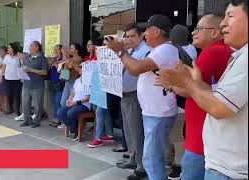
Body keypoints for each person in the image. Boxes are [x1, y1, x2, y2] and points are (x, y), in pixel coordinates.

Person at [157, 1, 248, 179]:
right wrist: (192, 83)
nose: (223, 24)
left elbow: (219, 106)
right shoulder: (231, 53)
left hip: (222, 164)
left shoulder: (215, 53)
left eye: (230, 16)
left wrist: (179, 83)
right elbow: (215, 92)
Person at [106, 15, 180, 180]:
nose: (145, 33)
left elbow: (136, 68)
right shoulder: (159, 49)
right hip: (154, 111)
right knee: (153, 156)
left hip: (158, 112)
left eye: (146, 30)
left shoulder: (165, 49)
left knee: (151, 159)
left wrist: (120, 51)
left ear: (156, 31)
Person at [113, 23, 151, 180]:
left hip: (135, 95)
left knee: (136, 131)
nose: (129, 39)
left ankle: (142, 166)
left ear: (141, 35)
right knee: (128, 131)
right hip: (124, 94)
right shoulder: (130, 51)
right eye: (127, 36)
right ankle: (133, 157)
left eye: (132, 36)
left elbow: (136, 69)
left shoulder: (145, 50)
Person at [166, 24, 199, 179]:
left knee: (177, 134)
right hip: (181, 98)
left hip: (180, 99)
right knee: (176, 134)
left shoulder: (180, 53)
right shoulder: (190, 50)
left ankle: (178, 165)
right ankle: (173, 159)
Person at [57, 64, 90, 141]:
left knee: (70, 113)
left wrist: (76, 102)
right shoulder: (77, 80)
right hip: (74, 102)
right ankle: (74, 129)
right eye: (80, 68)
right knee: (60, 112)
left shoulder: (89, 81)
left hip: (84, 104)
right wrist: (69, 99)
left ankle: (76, 131)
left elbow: (88, 97)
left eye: (83, 68)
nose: (81, 70)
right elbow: (73, 92)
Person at [19, 41, 48, 128]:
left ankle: (36, 121)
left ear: (37, 47)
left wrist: (31, 70)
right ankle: (27, 120)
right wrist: (22, 74)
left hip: (37, 85)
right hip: (26, 84)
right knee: (25, 104)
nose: (29, 47)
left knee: (38, 105)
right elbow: (24, 68)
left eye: (31, 46)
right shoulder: (28, 58)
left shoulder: (42, 58)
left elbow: (44, 72)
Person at [58, 43, 84, 128]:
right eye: (69, 48)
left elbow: (75, 68)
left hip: (74, 82)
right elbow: (66, 69)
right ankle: (66, 121)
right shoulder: (70, 59)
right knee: (63, 102)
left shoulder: (79, 58)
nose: (70, 49)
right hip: (67, 81)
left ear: (77, 50)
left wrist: (65, 56)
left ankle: (72, 123)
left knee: (71, 102)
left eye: (72, 48)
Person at [0, 43, 22, 117]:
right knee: (9, 95)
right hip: (8, 78)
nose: (8, 49)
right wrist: (1, 76)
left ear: (13, 48)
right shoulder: (6, 56)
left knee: (17, 95)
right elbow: (3, 66)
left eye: (9, 48)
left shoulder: (18, 56)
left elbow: (23, 66)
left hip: (17, 79)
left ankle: (18, 111)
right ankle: (11, 109)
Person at [48, 44, 64, 128]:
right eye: (55, 50)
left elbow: (62, 72)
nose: (56, 52)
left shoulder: (63, 60)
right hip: (52, 81)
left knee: (58, 101)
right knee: (53, 101)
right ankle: (54, 117)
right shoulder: (53, 59)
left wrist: (56, 64)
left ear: (61, 51)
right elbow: (47, 68)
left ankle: (59, 119)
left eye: (57, 50)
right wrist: (51, 62)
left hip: (59, 82)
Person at [0, 46, 9, 112]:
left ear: (6, 52)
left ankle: (6, 107)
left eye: (2, 51)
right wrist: (5, 64)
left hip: (7, 76)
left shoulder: (8, 57)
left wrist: (3, 64)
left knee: (6, 93)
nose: (0, 53)